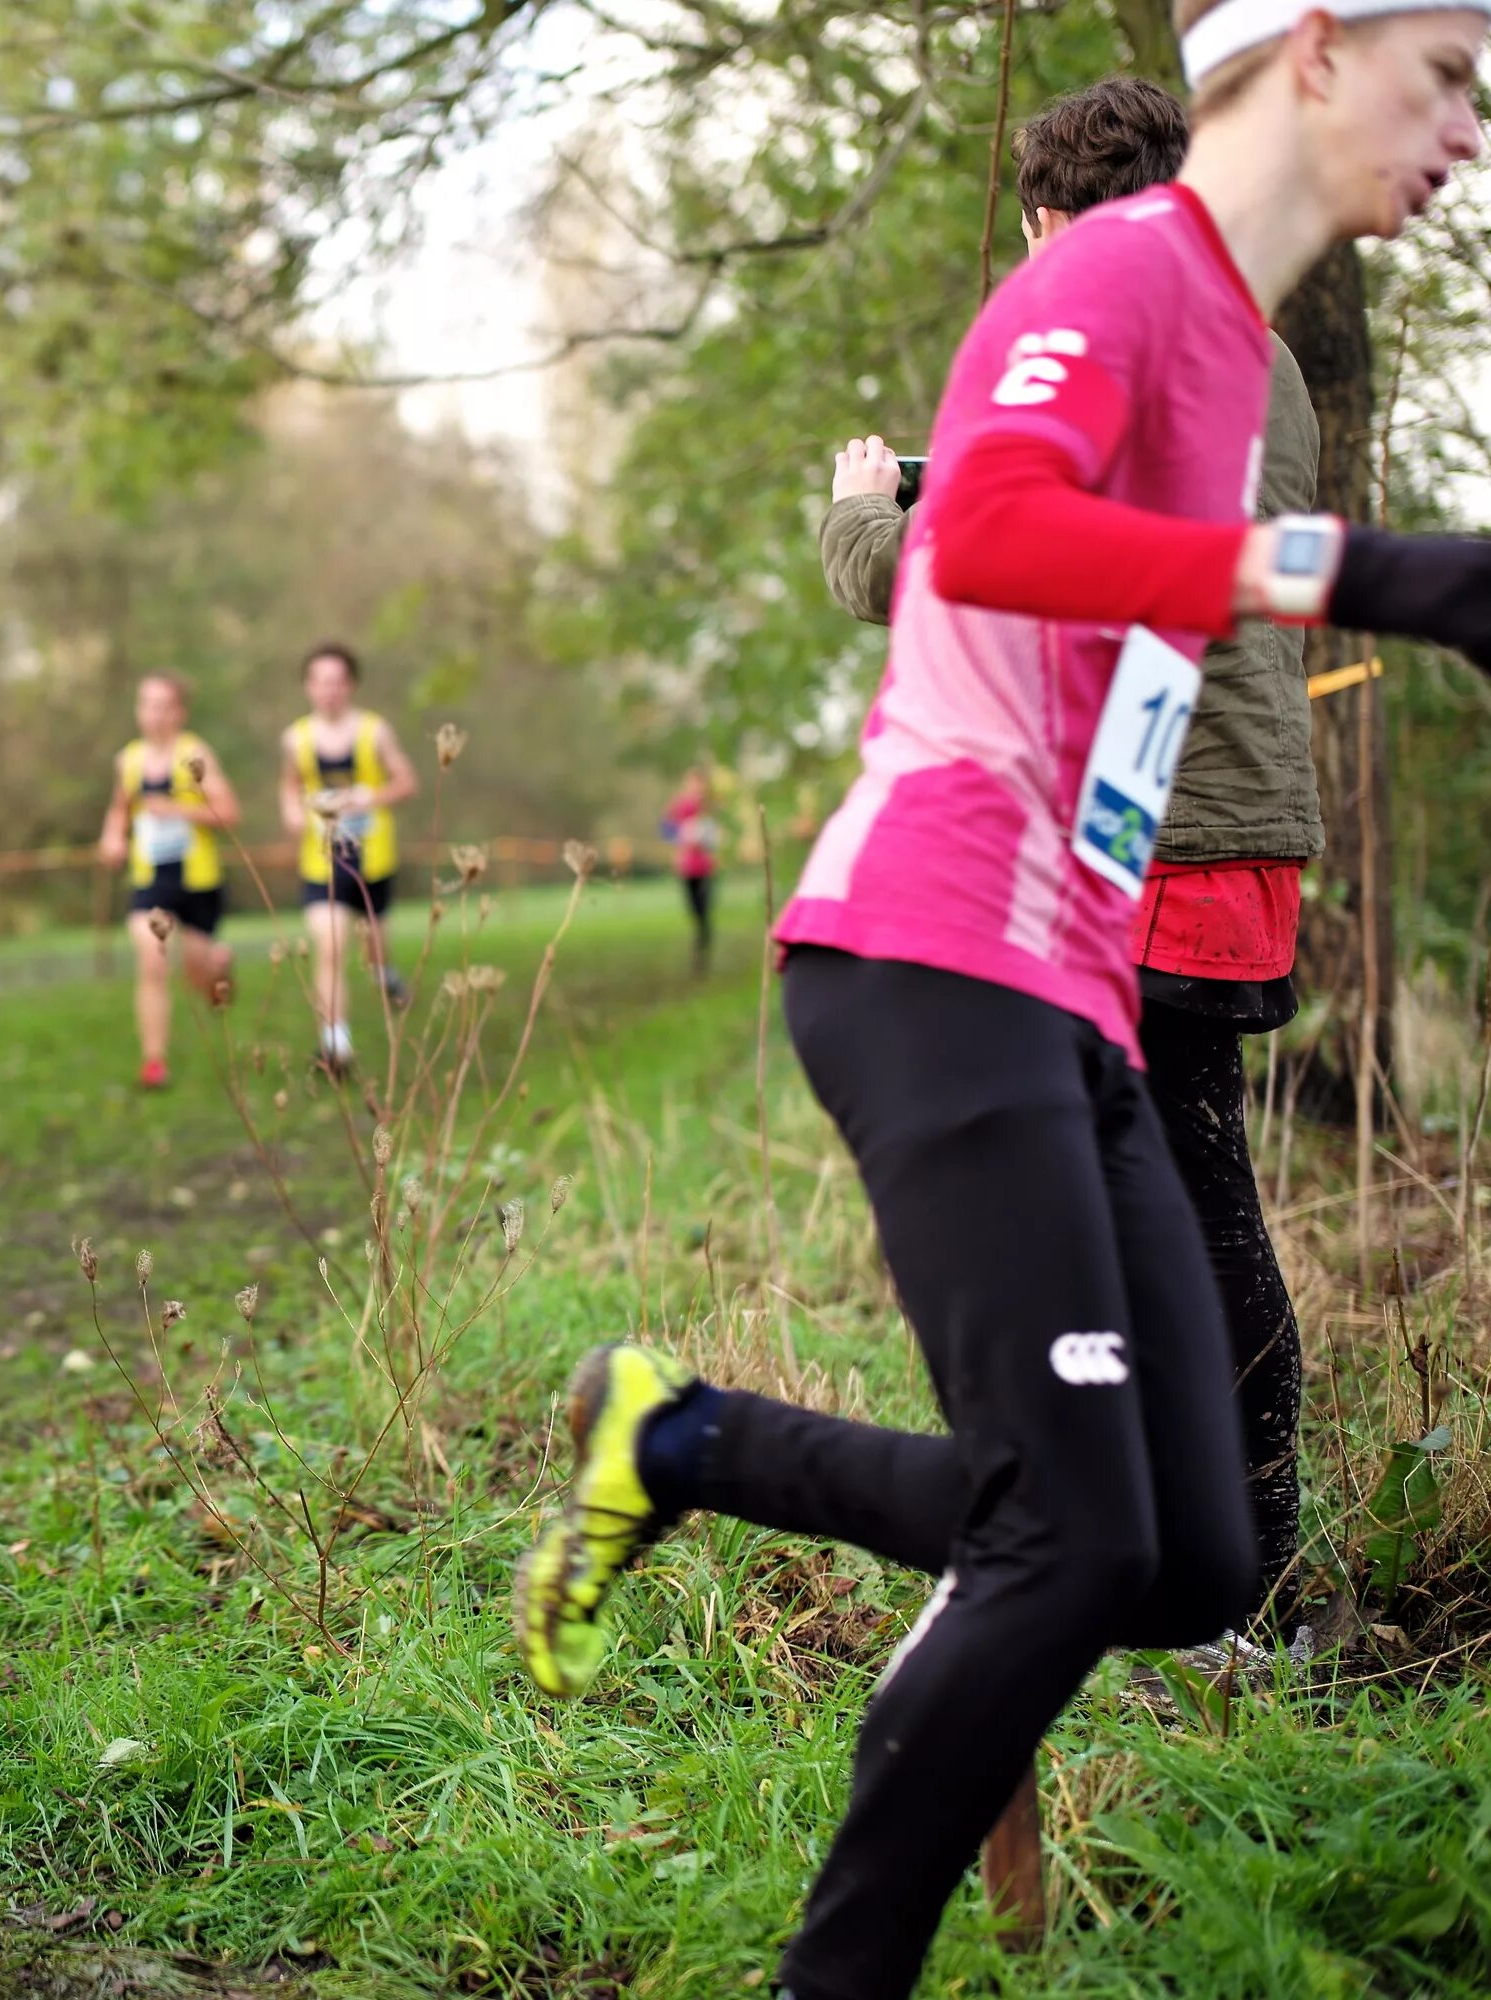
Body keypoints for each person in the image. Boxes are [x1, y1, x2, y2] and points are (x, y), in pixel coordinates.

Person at [513, 9, 1491, 1999]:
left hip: (1073, 979)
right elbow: (1000, 523)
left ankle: (679, 1439)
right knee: (1066, 1545)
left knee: (1186, 1555)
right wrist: (1377, 570)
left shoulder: (1233, 340)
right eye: (1451, 73)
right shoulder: (1119, 269)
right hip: (929, 949)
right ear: (1316, 54)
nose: (1470, 127)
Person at [819, 73, 1322, 1634]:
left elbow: (946, 570)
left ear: (1052, 222)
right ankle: (1191, 1557)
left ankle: (1249, 1586)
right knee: (1160, 1195)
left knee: (1177, 1204)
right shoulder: (1258, 341)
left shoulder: (1105, 331)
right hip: (1224, 823)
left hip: (1147, 835)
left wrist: (856, 511)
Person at [277, 644, 417, 1074]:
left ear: (351, 685)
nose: (329, 690)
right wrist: (293, 814)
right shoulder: (296, 738)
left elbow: (406, 782)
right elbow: (289, 787)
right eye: (320, 681)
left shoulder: (374, 732)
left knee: (373, 944)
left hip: (372, 858)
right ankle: (335, 1046)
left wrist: (369, 797)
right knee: (332, 946)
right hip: (321, 862)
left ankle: (385, 972)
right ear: (308, 686)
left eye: (337, 681)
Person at [98, 674, 240, 1089]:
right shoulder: (129, 760)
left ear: (180, 712)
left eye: (163, 705)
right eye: (146, 704)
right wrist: (111, 837)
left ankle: (220, 974)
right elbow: (120, 809)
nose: (154, 714)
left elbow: (229, 811)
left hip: (198, 881)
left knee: (204, 981)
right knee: (153, 958)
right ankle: (154, 1061)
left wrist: (179, 811)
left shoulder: (194, 753)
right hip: (150, 881)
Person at [659, 761, 722, 974]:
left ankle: (702, 950)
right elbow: (665, 830)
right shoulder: (680, 805)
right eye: (692, 782)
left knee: (704, 910)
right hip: (687, 867)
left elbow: (720, 834)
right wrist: (681, 836)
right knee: (694, 911)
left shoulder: (710, 806)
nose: (696, 786)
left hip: (706, 867)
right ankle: (700, 941)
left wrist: (711, 839)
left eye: (699, 782)